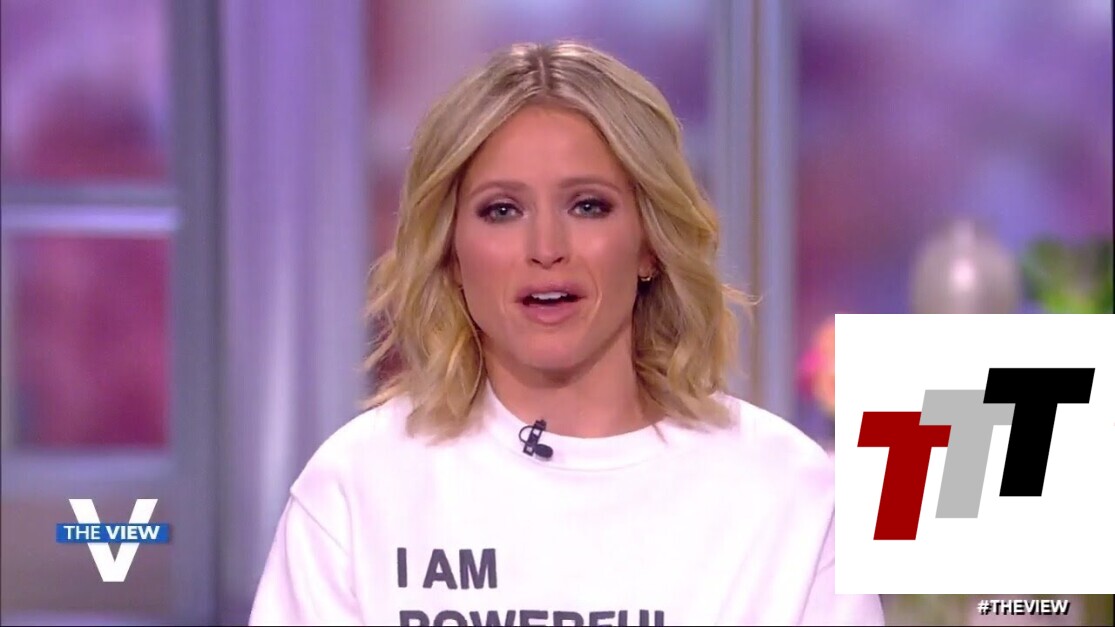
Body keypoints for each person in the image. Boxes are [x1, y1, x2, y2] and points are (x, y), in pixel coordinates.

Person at [248, 40, 885, 626]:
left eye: (588, 206)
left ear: (650, 244)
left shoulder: (786, 496)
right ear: (452, 252)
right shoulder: (358, 489)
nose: (546, 247)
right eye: (502, 210)